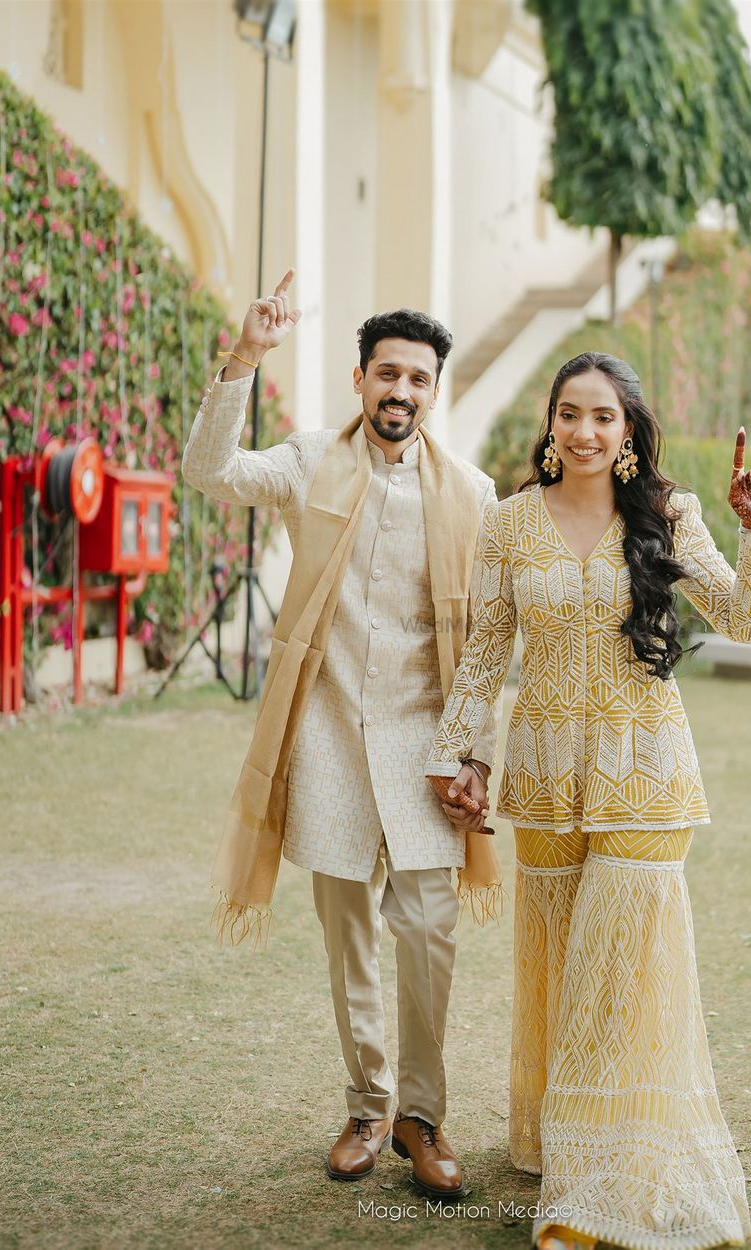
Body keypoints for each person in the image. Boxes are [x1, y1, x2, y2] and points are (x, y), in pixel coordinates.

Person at [425, 352, 751, 1250]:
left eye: (604, 418)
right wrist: (458, 755)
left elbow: (743, 620)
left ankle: (602, 1180)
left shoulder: (667, 514)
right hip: (545, 779)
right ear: (550, 423)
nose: (584, 432)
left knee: (617, 976)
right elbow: (483, 650)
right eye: (569, 414)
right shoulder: (507, 525)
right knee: (556, 963)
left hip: (646, 773)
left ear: (628, 434)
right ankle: (555, 1141)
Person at [181, 271, 503, 1199]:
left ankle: (422, 1116)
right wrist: (245, 356)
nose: (402, 392)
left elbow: (486, 637)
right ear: (359, 378)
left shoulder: (471, 493)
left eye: (419, 380)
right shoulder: (309, 459)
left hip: (425, 744)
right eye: (387, 374)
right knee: (349, 933)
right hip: (325, 734)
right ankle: (367, 1107)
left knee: (430, 929)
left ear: (433, 393)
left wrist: (472, 750)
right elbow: (211, 470)